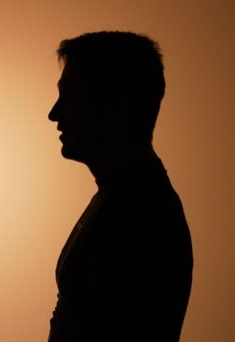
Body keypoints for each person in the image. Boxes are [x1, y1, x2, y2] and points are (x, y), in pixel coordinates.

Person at [47, 31, 193, 341]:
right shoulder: (123, 198)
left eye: (69, 96)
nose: (54, 114)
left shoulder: (140, 214)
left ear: (114, 104)